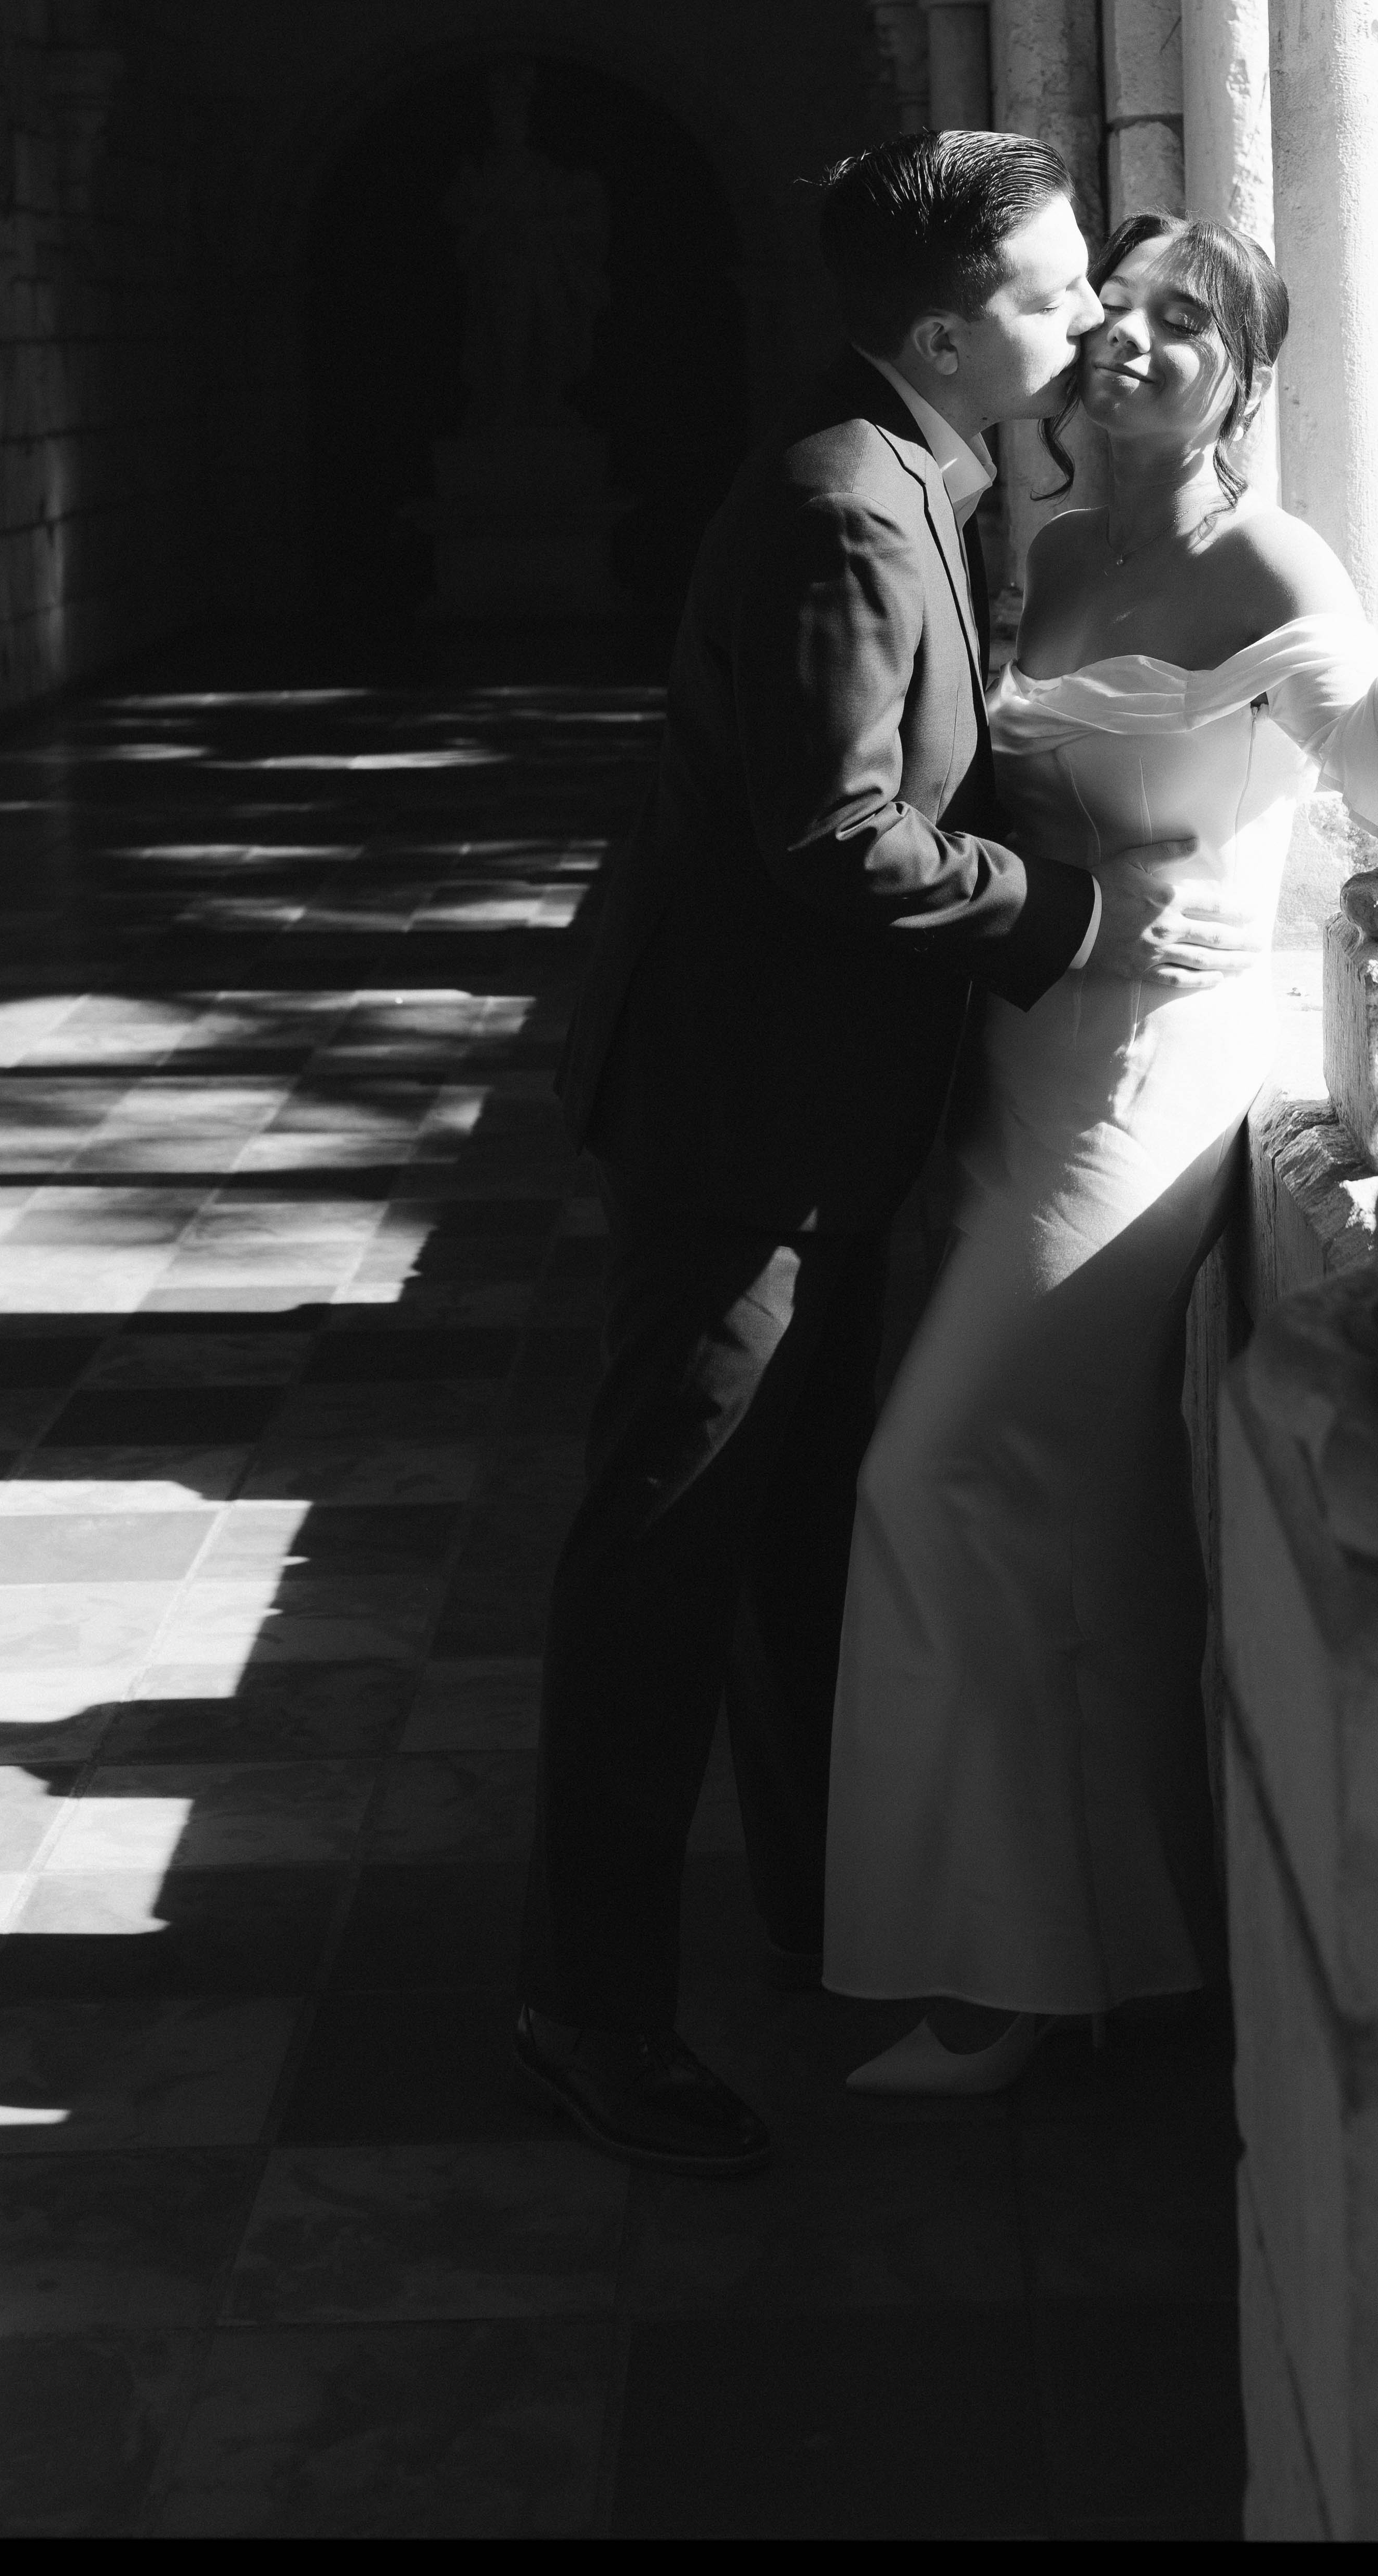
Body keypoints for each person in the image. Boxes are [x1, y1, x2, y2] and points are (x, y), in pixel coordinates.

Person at [514, 133, 1253, 2176]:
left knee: (776, 1538)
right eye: (1048, 291)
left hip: (825, 1113)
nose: (1092, 315)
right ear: (945, 332)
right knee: (662, 1553)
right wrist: (1080, 917)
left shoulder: (919, 471)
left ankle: (818, 1906)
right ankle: (585, 2002)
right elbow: (834, 833)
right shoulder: (853, 499)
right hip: (746, 1120)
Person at [822, 207, 1378, 2092]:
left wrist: (1309, 911)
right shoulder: (1054, 547)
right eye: (1116, 313)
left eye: (1186, 322)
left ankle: (1007, 1971)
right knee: (1070, 1503)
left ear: (1247, 365)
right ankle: (1095, 1942)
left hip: (1154, 1081)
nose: (1134, 344)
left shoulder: (1278, 569)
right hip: (1015, 1062)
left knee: (934, 1467)